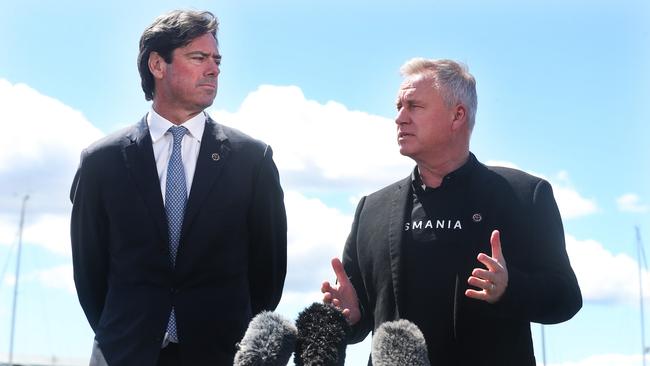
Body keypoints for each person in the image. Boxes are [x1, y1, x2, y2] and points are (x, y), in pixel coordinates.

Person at [321, 58, 582, 365]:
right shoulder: (372, 209)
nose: (400, 118)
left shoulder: (524, 196)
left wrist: (509, 288)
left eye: (414, 106)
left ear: (458, 115)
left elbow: (565, 298)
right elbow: (363, 320)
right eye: (398, 107)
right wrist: (351, 317)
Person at [70, 10, 287, 366]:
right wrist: (131, 331)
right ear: (158, 64)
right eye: (198, 57)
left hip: (221, 355)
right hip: (124, 354)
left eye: (216, 59)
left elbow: (268, 275)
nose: (213, 69)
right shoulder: (100, 162)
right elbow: (90, 274)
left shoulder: (253, 160)